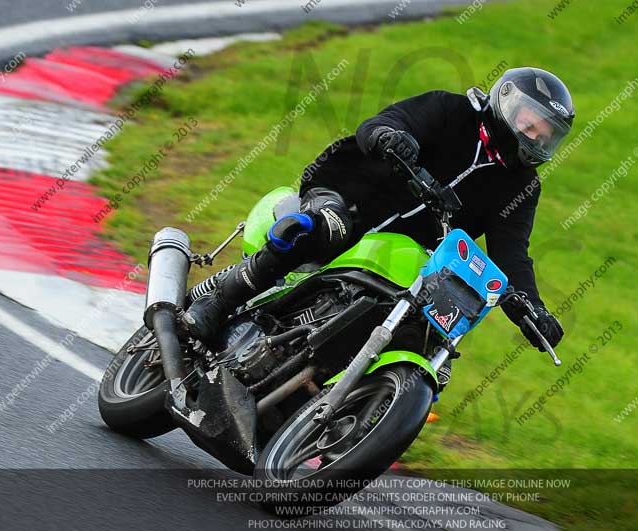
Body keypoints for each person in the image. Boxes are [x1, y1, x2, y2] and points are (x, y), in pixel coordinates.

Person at [182, 67, 575, 352]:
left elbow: (511, 254)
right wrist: (392, 137)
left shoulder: (522, 185)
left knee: (420, 323)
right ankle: (219, 302)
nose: (535, 138)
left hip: (400, 252)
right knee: (324, 227)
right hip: (348, 192)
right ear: (507, 103)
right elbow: (382, 123)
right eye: (531, 124)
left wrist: (533, 310)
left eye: (546, 136)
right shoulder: (451, 109)